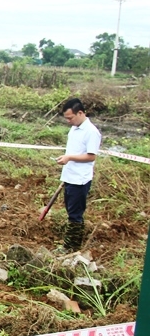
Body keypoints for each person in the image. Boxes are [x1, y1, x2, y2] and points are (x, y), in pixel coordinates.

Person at [55, 98, 101, 252]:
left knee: (75, 214)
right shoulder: (74, 128)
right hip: (70, 176)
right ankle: (74, 243)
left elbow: (91, 156)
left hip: (80, 180)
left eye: (70, 118)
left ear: (80, 113)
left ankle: (70, 247)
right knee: (71, 211)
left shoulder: (91, 132)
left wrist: (69, 158)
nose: (69, 121)